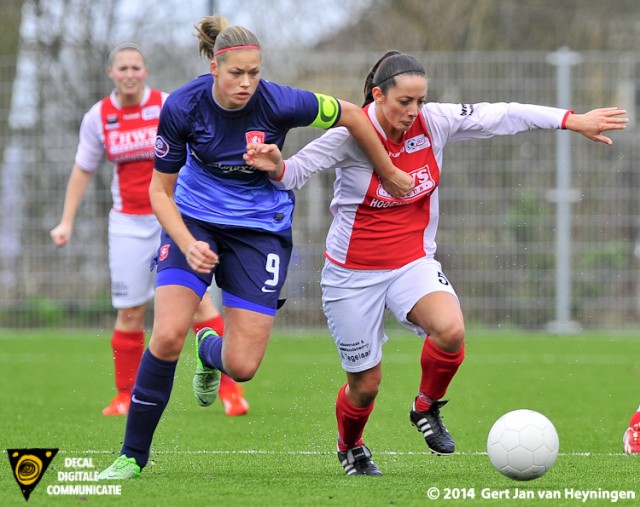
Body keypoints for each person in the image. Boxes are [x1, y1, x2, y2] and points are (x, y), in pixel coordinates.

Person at [243, 50, 628, 475]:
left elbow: (504, 114)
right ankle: (350, 446)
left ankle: (425, 407)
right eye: (404, 102)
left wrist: (571, 120)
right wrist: (275, 165)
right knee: (365, 386)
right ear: (377, 95)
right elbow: (294, 173)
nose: (413, 111)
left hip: (412, 263)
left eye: (420, 101)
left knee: (450, 329)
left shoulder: (436, 122)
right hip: (351, 275)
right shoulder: (350, 134)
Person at [97, 17, 412, 480]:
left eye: (254, 73)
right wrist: (187, 242)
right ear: (214, 69)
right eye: (236, 73)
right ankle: (131, 456)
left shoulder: (281, 101)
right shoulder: (183, 106)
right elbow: (159, 193)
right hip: (195, 223)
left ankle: (208, 348)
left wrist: (385, 170)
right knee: (165, 336)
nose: (246, 83)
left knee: (241, 367)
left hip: (260, 232)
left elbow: (351, 113)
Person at [50, 42, 249, 418]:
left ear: (145, 72)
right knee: (130, 312)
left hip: (174, 218)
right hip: (127, 222)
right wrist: (66, 221)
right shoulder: (99, 116)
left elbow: (198, 154)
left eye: (135, 68)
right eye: (122, 68)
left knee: (199, 303)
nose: (129, 74)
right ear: (111, 73)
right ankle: (124, 394)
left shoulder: (167, 105)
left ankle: (230, 390)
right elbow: (83, 169)